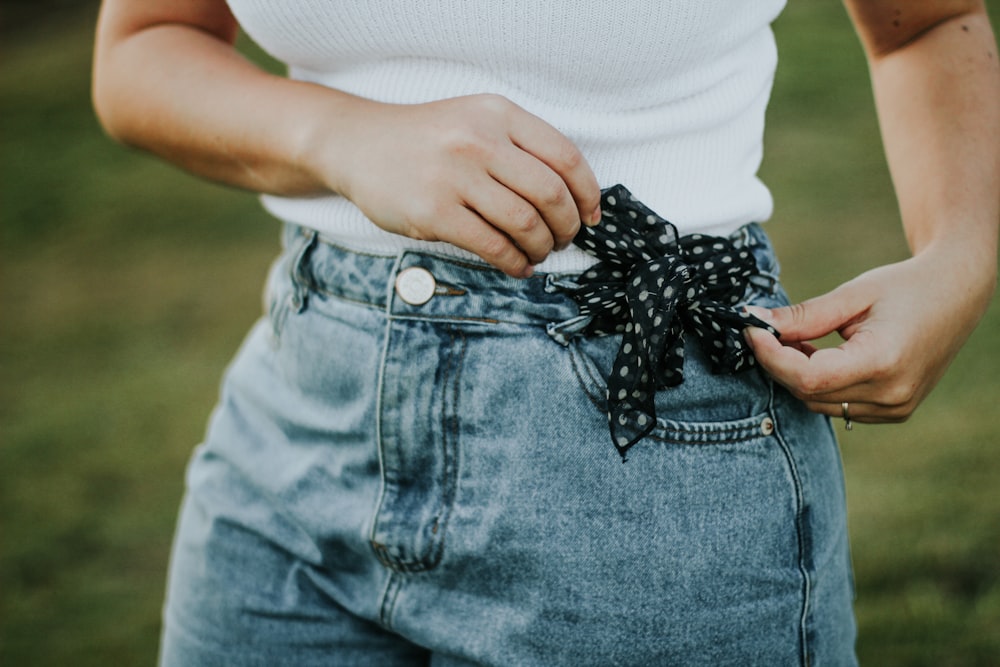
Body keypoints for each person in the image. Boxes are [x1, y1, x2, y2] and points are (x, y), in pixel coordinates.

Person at [92, 0, 999, 664]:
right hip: (299, 432)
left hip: (650, 451)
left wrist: (961, 255)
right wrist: (341, 136)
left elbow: (924, 23)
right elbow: (141, 48)